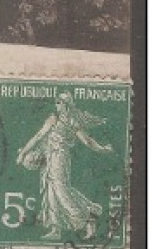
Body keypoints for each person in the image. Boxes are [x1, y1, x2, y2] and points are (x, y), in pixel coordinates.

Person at [16, 91, 113, 240]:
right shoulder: (54, 119)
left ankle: (87, 217)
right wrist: (23, 152)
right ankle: (56, 229)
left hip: (59, 158)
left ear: (67, 104)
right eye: (57, 102)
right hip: (51, 158)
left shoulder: (69, 121)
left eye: (60, 102)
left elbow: (87, 141)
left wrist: (102, 149)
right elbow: (38, 137)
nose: (57, 105)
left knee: (61, 191)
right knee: (51, 192)